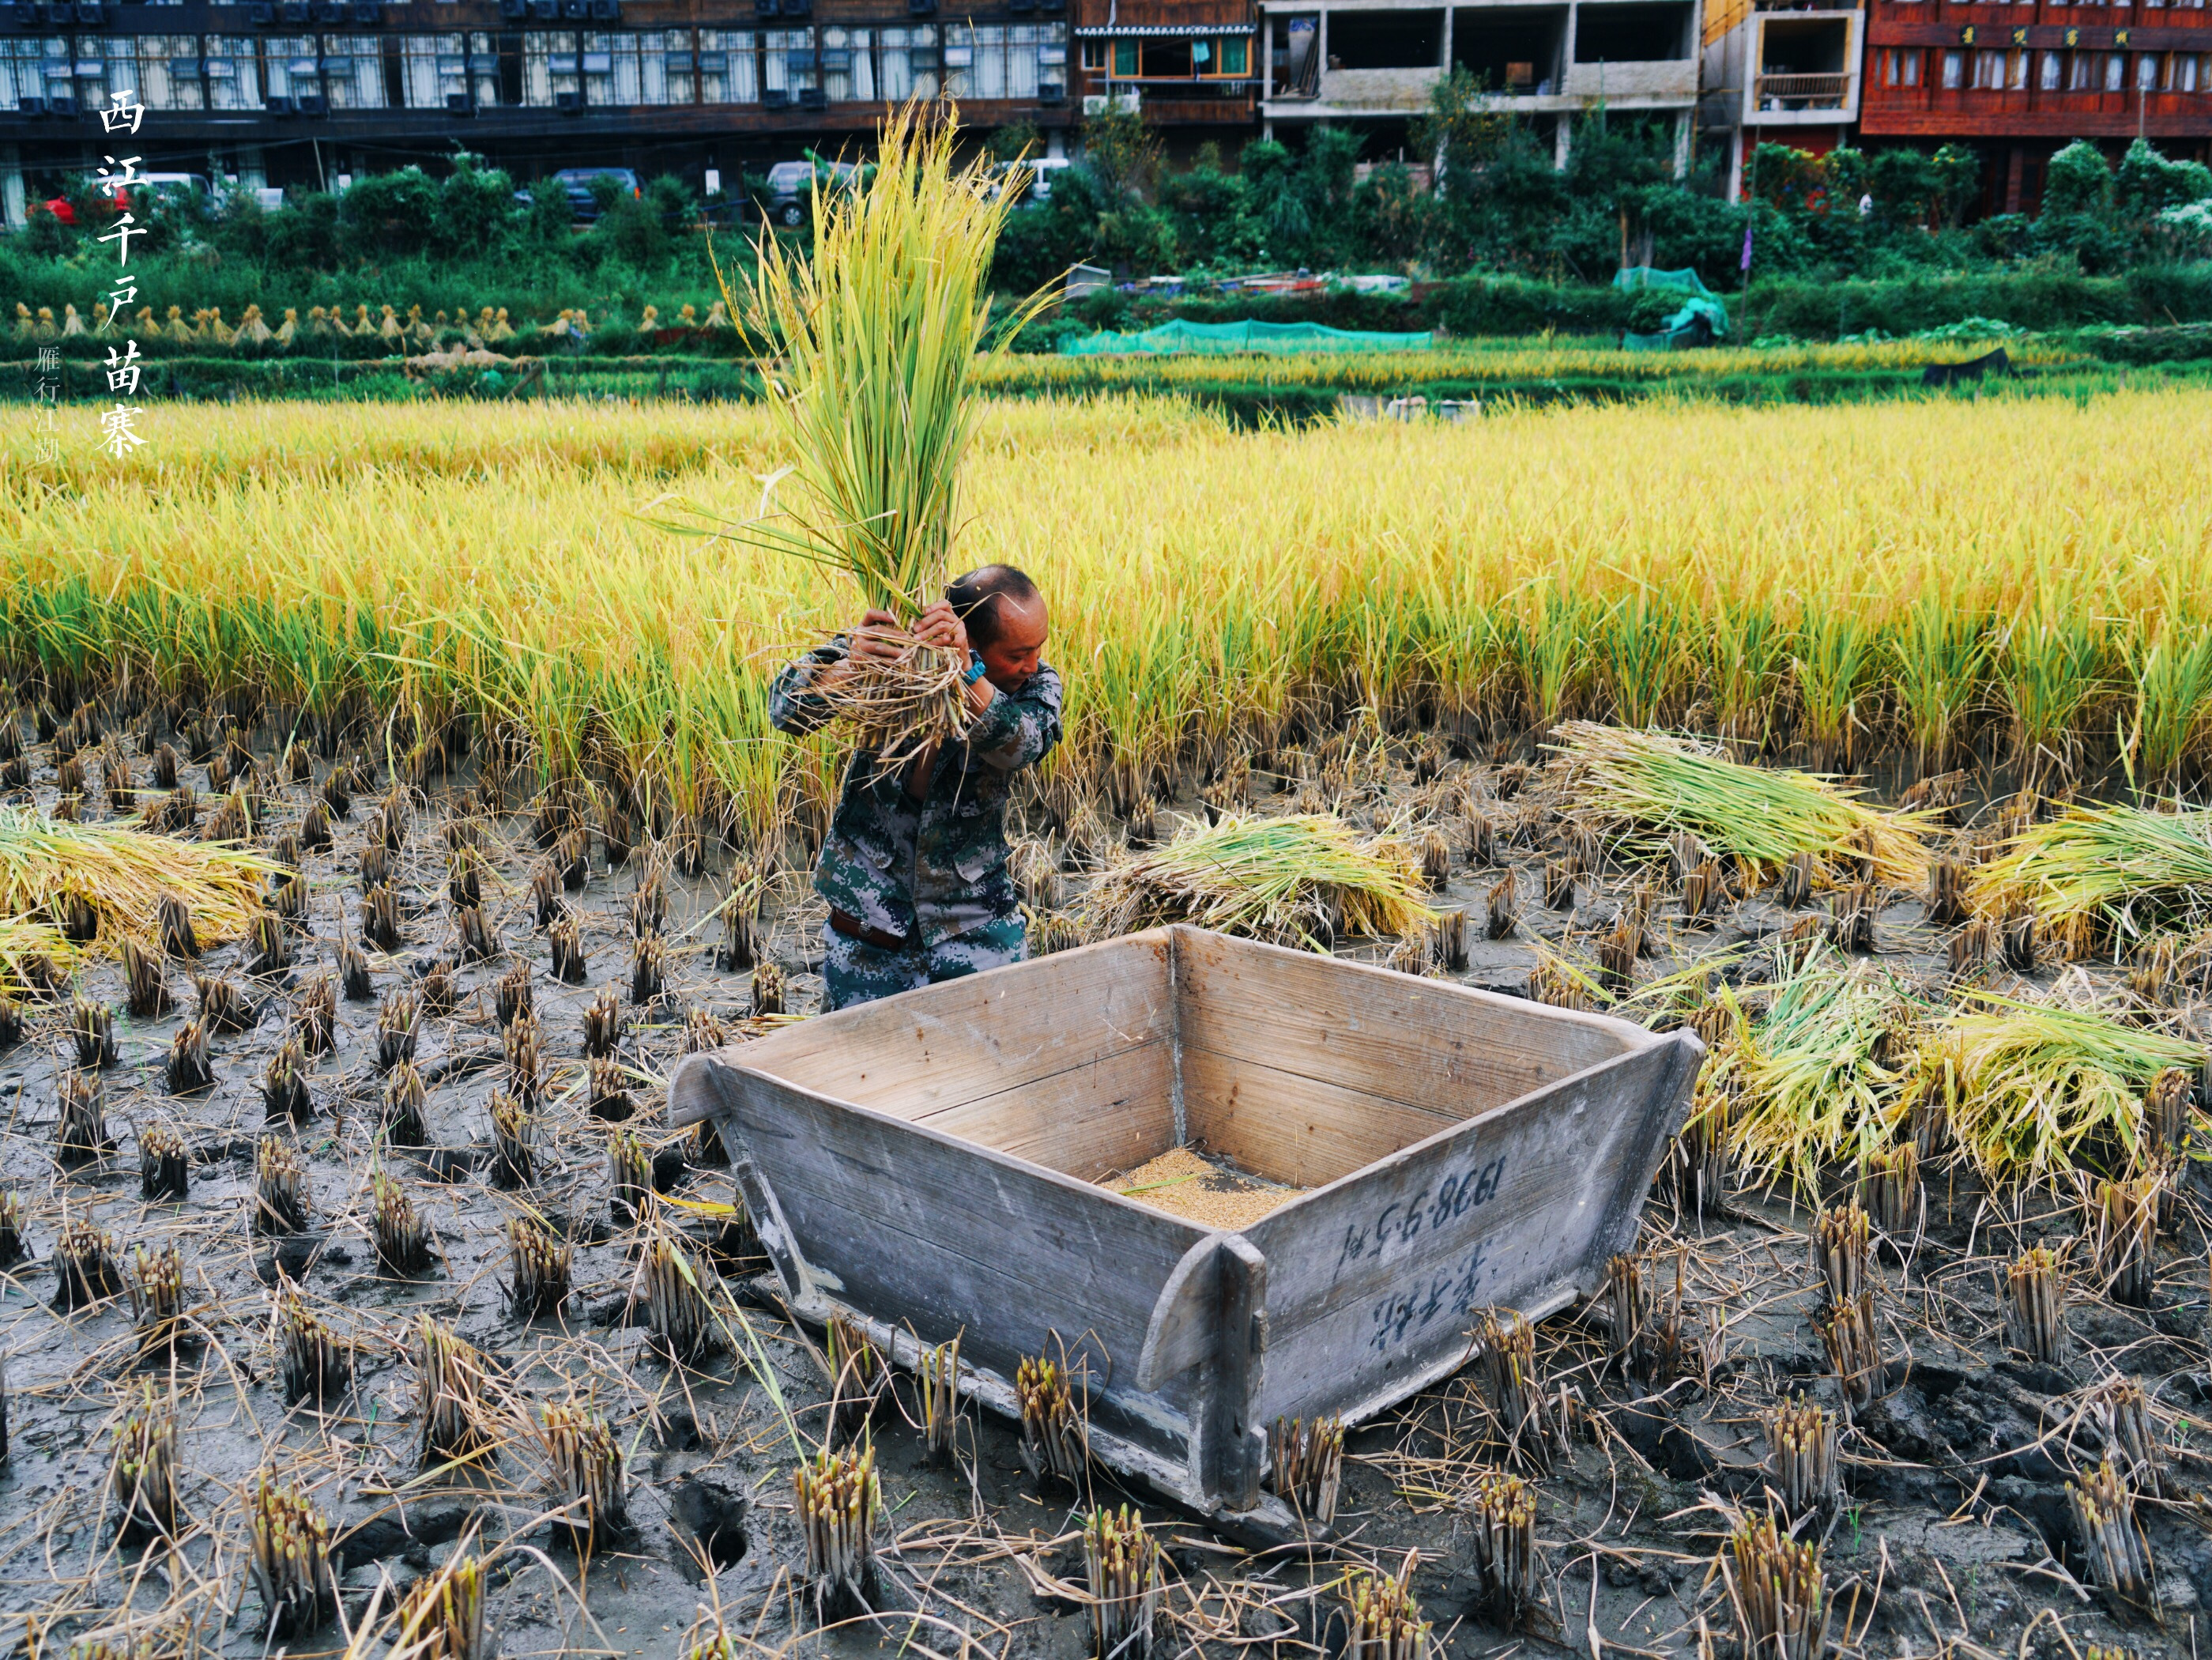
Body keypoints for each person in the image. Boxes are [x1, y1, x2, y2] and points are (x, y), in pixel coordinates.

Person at [769, 564, 1061, 1010]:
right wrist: (853, 667)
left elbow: (1023, 745)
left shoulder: (1034, 684)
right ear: (971, 638)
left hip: (973, 925)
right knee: (863, 1054)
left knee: (999, 1046)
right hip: (871, 927)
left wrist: (965, 673)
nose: (1033, 663)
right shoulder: (881, 653)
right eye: (1020, 653)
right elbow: (784, 709)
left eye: (1038, 648)